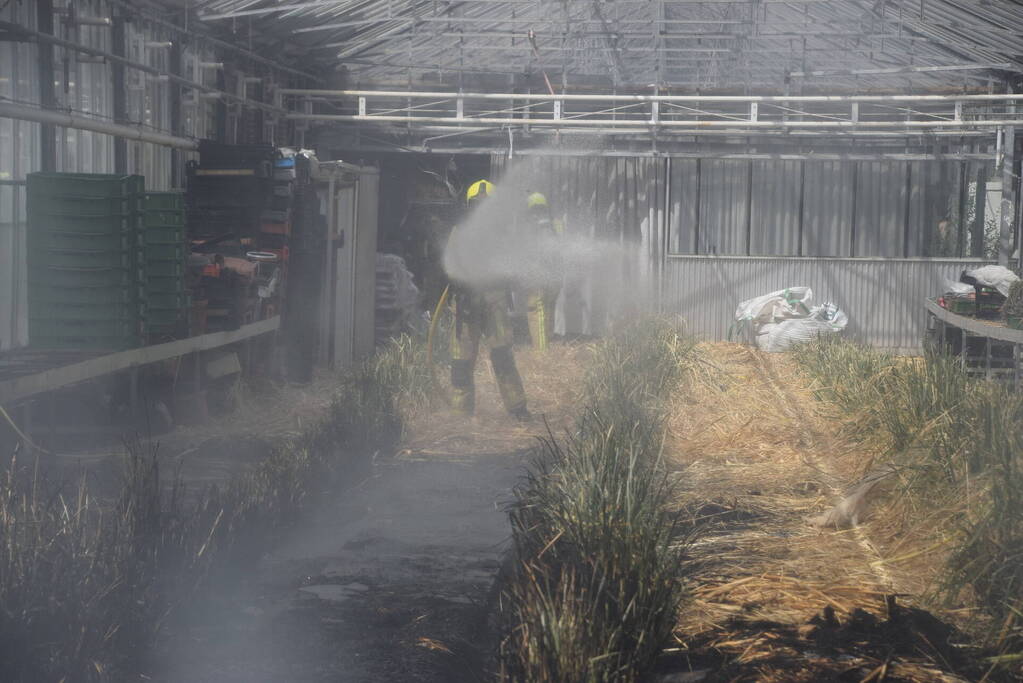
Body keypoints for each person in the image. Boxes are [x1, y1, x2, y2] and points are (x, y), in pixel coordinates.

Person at [448, 179, 530, 420]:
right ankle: (460, 414)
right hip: (465, 303)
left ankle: (518, 409)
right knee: (461, 362)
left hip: (494, 300)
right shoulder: (459, 232)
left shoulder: (504, 234)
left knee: (502, 356)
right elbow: (448, 266)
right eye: (477, 205)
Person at [523, 191, 563, 351]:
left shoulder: (530, 226)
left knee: (536, 309)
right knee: (548, 306)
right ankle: (548, 339)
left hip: (538, 274)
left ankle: (541, 351)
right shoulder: (557, 223)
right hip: (556, 275)